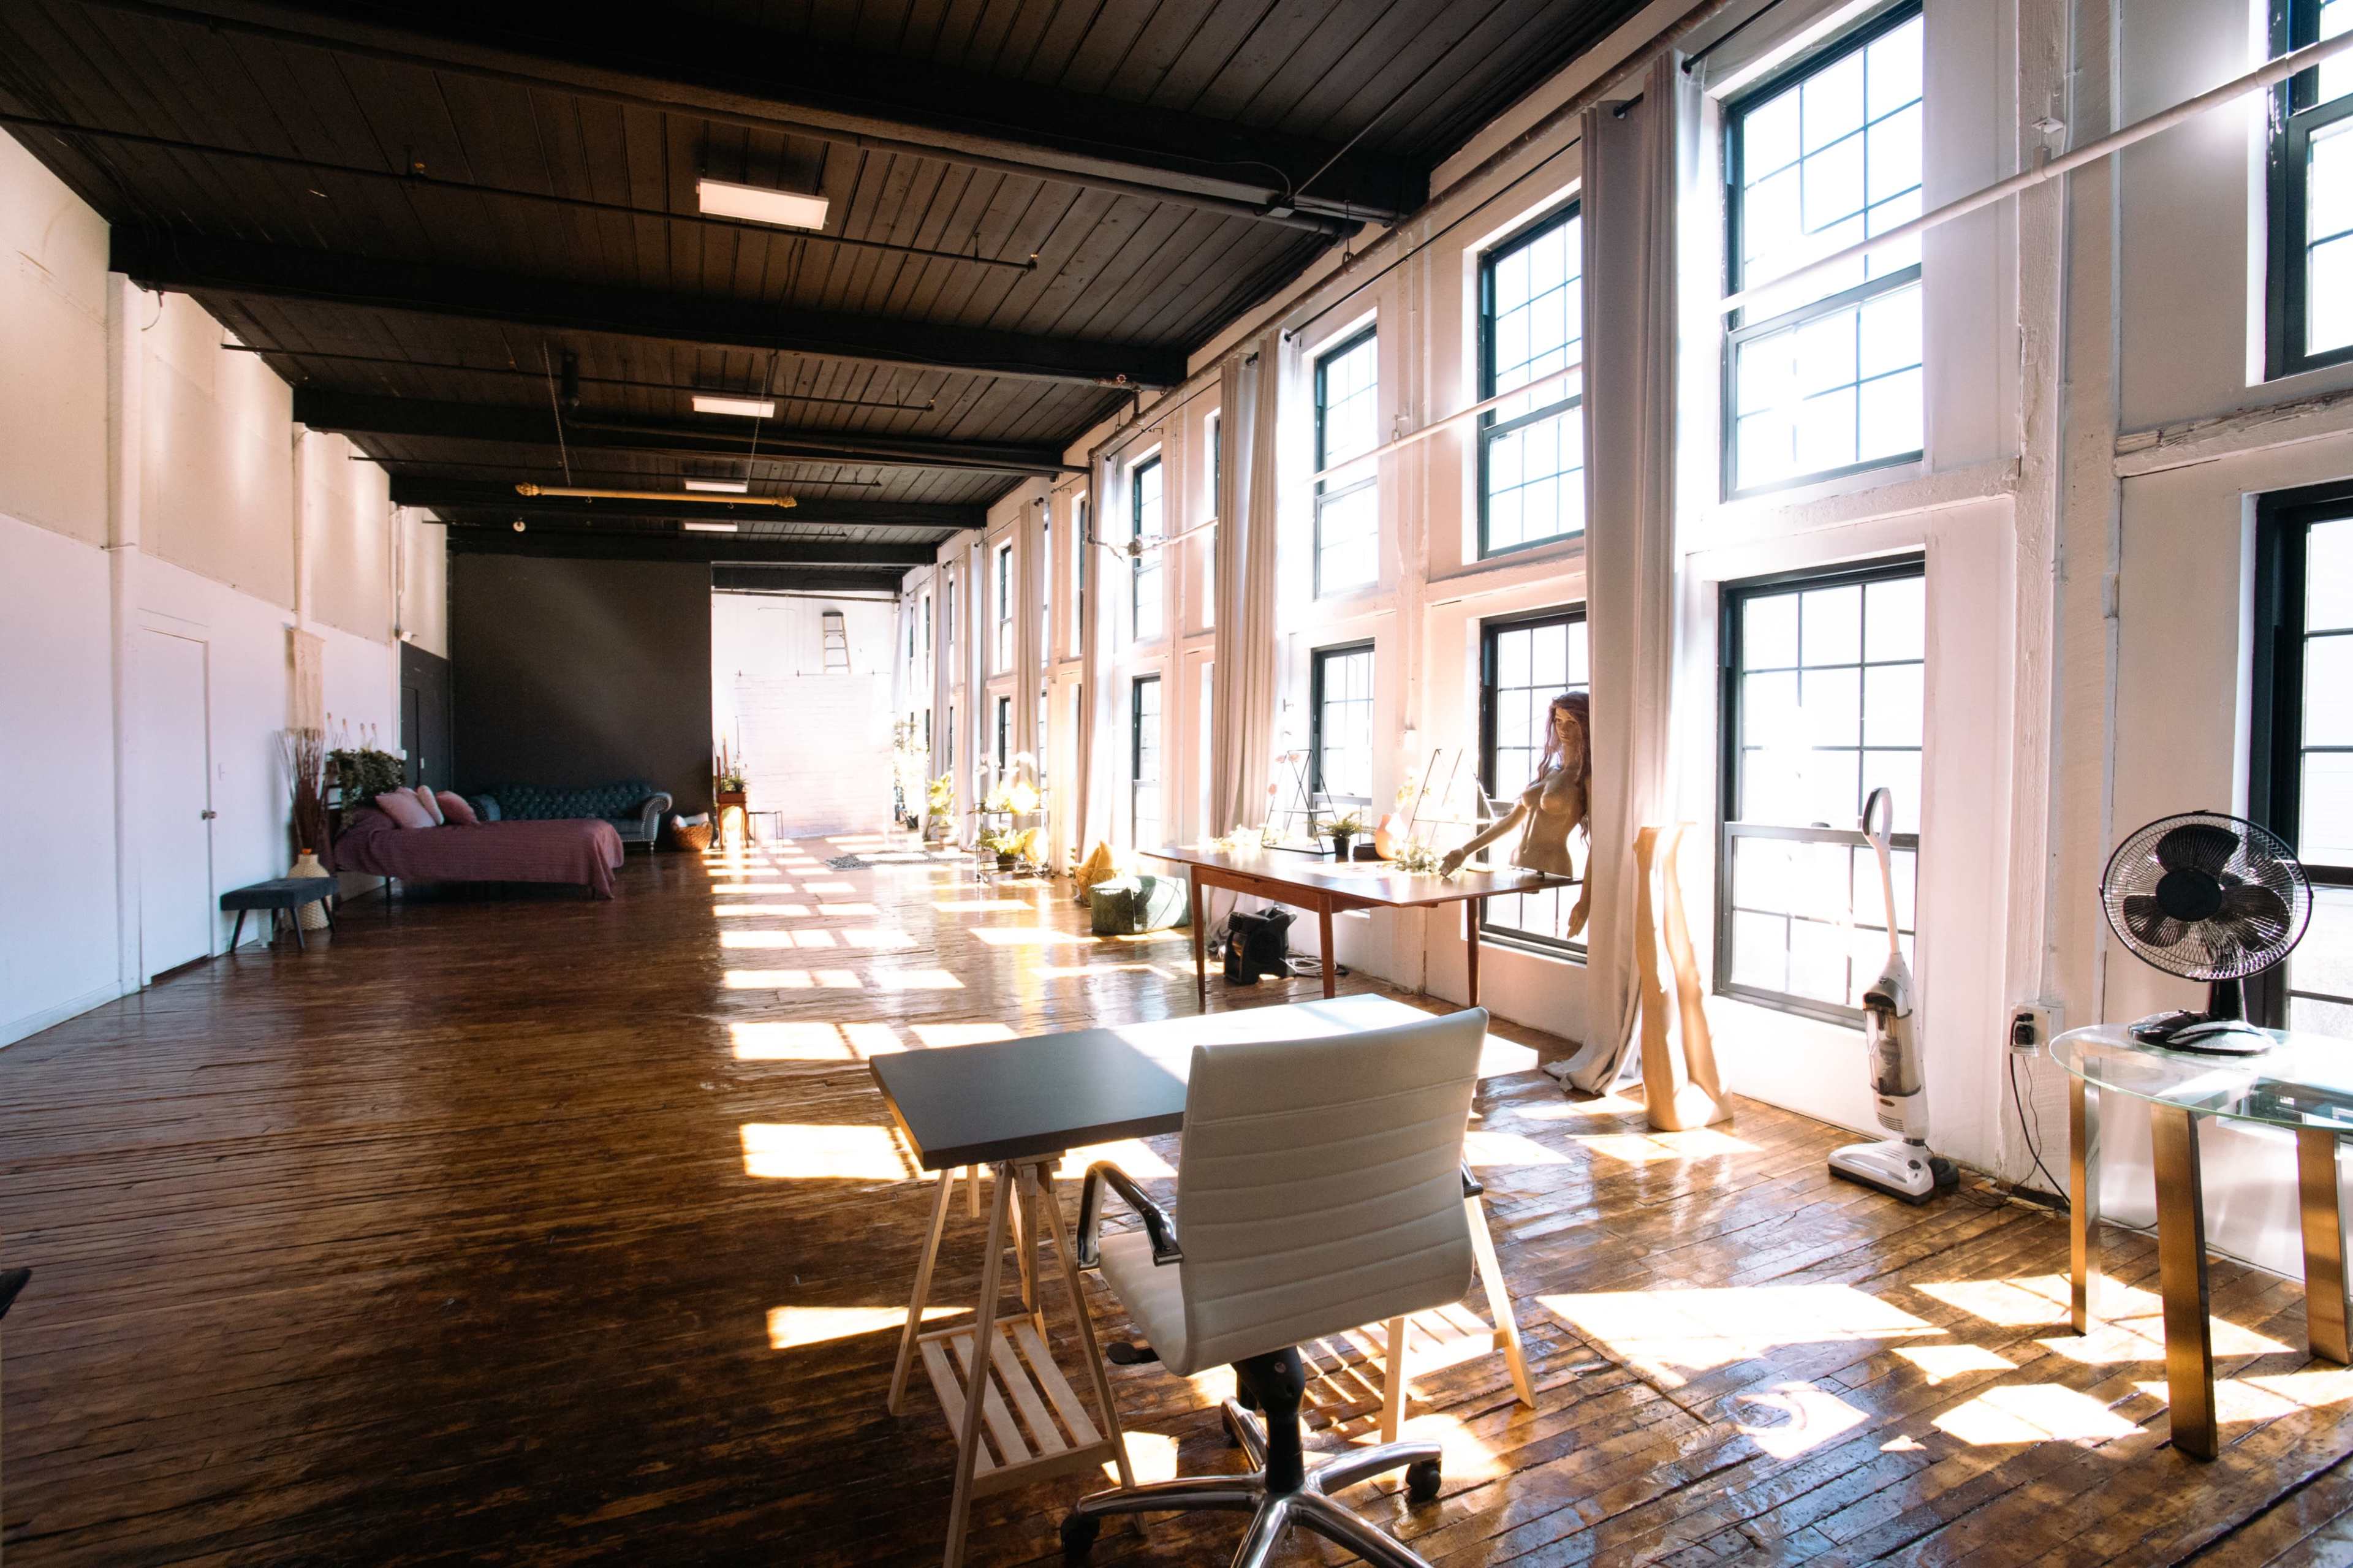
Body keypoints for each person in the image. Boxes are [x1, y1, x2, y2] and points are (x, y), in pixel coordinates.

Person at [1439, 690, 1591, 936]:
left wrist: (1586, 902)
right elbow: (1510, 822)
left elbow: (1599, 844)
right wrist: (1464, 851)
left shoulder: (1585, 777)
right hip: (1519, 862)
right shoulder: (1551, 771)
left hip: (1554, 866)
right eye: (1559, 721)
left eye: (1573, 722)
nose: (1564, 729)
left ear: (1585, 725)